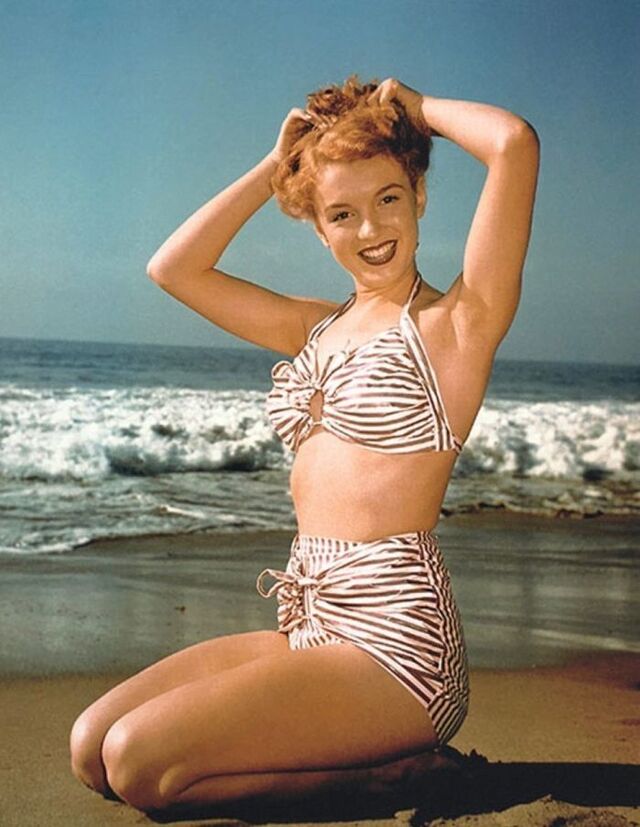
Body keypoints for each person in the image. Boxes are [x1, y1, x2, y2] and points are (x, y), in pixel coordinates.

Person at [69, 76, 539, 815]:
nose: (371, 228)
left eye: (388, 198)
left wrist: (412, 111)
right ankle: (374, 763)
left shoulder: (456, 328)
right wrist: (277, 164)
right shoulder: (313, 329)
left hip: (400, 653)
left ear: (419, 195)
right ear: (320, 229)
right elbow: (173, 268)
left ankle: (391, 775)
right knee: (91, 744)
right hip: (312, 627)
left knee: (138, 764)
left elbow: (513, 143)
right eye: (342, 213)